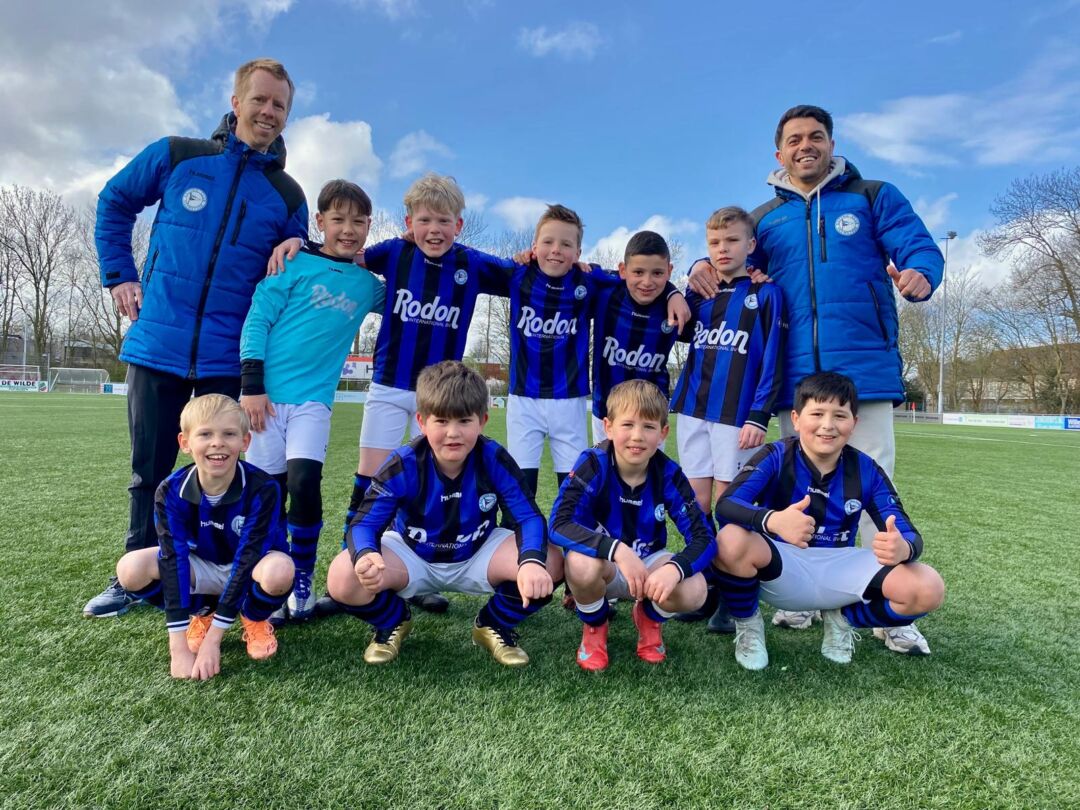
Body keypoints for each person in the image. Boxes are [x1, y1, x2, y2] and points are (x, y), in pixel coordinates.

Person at [688, 104, 943, 654]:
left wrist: (923, 271)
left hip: (864, 370)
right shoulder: (764, 218)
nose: (806, 146)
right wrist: (698, 268)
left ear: (831, 143)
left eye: (816, 136)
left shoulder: (872, 195)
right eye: (795, 139)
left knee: (873, 486)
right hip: (795, 375)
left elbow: (917, 244)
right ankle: (800, 598)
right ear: (778, 153)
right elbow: (728, 253)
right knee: (794, 489)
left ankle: (887, 613)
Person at [86, 58, 308, 618]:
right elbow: (114, 201)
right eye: (260, 100)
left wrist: (301, 244)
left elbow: (298, 270)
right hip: (157, 345)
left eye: (279, 105)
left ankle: (226, 578)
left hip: (226, 358)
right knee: (150, 469)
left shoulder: (287, 195)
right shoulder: (178, 155)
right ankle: (138, 574)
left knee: (223, 469)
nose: (269, 112)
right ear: (236, 103)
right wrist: (119, 274)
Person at [269, 173, 518, 616]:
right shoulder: (392, 253)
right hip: (387, 385)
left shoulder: (473, 263)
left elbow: (525, 276)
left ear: (459, 225)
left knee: (429, 483)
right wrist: (298, 242)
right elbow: (341, 252)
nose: (434, 230)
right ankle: (351, 571)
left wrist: (539, 256)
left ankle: (418, 575)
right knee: (368, 482)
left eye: (443, 221)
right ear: (408, 223)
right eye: (424, 220)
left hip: (438, 399)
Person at [326, 361, 561, 667]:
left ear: (482, 421)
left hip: (478, 553)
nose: (453, 433)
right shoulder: (404, 463)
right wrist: (367, 554)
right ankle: (393, 620)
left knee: (550, 561)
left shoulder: (494, 458)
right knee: (343, 575)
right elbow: (363, 524)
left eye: (464, 420)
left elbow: (528, 517)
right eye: (441, 421)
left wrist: (530, 562)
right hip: (413, 556)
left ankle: (494, 623)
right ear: (422, 422)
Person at [711, 372, 945, 670]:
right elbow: (727, 505)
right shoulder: (776, 455)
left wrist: (904, 549)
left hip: (840, 569)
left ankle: (843, 619)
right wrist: (773, 520)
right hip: (783, 567)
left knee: (928, 587)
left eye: (840, 415)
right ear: (796, 419)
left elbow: (910, 534)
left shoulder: (866, 469)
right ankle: (748, 626)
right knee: (730, 540)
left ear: (854, 423)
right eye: (817, 413)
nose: (828, 425)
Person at [239, 180, 384, 622]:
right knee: (268, 493)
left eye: (358, 222)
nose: (348, 230)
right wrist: (251, 385)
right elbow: (257, 321)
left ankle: (302, 577)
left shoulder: (367, 285)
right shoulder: (291, 263)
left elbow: (410, 291)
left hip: (313, 402)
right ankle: (270, 578)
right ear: (320, 221)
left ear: (369, 226)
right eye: (338, 219)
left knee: (304, 483)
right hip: (264, 400)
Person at [504, 204, 687, 501]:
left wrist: (673, 291)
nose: (556, 250)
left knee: (613, 488)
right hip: (572, 406)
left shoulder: (594, 282)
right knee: (525, 485)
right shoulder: (518, 274)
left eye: (566, 244)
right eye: (548, 242)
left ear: (578, 252)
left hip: (586, 403)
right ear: (534, 246)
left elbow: (643, 277)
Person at [115, 394, 294, 680]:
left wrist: (213, 642)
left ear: (245, 442)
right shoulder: (170, 491)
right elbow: (173, 559)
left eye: (229, 434)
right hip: (201, 566)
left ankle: (253, 617)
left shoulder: (263, 488)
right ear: (185, 443)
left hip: (251, 568)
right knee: (130, 569)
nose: (217, 443)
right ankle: (203, 613)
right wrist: (178, 650)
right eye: (205, 434)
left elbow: (248, 558)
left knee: (280, 571)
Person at [670, 206, 786, 634]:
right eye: (714, 243)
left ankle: (733, 593)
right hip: (692, 409)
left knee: (730, 504)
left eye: (732, 241)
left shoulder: (766, 294)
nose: (723, 249)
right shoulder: (699, 293)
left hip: (736, 415)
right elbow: (672, 321)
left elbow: (773, 359)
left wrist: (759, 414)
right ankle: (705, 586)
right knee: (696, 503)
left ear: (750, 245)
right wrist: (679, 287)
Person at [550, 379, 716, 672]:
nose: (637, 436)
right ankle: (595, 625)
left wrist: (674, 569)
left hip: (648, 567)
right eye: (627, 424)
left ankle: (649, 617)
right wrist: (616, 550)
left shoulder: (668, 473)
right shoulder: (593, 464)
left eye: (648, 427)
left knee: (695, 589)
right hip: (604, 565)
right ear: (608, 427)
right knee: (579, 563)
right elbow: (559, 523)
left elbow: (704, 537)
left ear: (663, 433)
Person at [589, 231, 684, 445]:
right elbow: (572, 268)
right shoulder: (606, 294)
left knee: (648, 468)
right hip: (605, 413)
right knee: (606, 466)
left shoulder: (676, 309)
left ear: (669, 271)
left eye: (657, 273)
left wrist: (673, 292)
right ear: (623, 270)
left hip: (652, 417)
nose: (647, 282)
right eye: (638, 272)